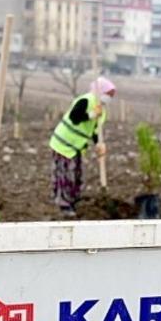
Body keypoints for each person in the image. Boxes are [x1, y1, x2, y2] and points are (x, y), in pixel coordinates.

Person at [49, 76, 116, 216]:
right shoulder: (86, 100)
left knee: (76, 175)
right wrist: (92, 114)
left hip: (76, 146)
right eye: (108, 94)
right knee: (65, 175)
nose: (109, 98)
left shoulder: (101, 110)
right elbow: (75, 117)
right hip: (63, 143)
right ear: (100, 91)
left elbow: (95, 130)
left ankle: (73, 200)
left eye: (111, 96)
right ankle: (64, 205)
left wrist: (99, 143)